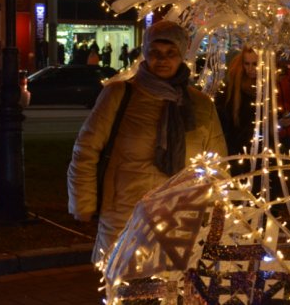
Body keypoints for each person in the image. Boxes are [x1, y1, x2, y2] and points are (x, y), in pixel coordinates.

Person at [68, 20, 227, 264]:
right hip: (125, 215)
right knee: (124, 293)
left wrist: (217, 215)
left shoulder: (200, 105)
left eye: (170, 53)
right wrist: (84, 203)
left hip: (180, 220)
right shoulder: (119, 94)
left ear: (182, 54)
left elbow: (216, 166)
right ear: (145, 53)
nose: (162, 60)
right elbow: (86, 151)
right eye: (155, 52)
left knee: (172, 295)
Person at [215, 47, 258, 163]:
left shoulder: (265, 87)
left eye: (255, 64)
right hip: (236, 146)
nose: (250, 69)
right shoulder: (232, 88)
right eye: (247, 64)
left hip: (258, 146)